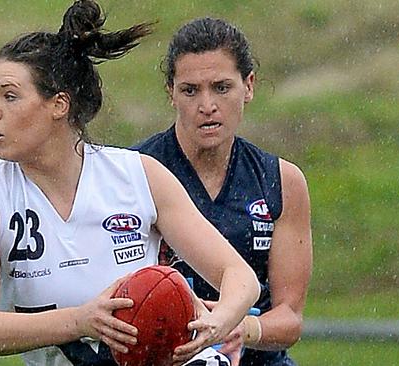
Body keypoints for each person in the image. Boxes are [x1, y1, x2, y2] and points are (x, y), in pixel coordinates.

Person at [0, 2, 260, 366]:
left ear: (59, 105)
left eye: (10, 96)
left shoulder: (138, 175)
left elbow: (240, 277)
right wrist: (81, 320)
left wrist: (217, 322)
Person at [134, 16, 313, 366]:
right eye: (190, 90)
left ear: (248, 86)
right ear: (170, 92)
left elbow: (290, 318)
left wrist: (238, 328)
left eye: (221, 87)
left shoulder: (281, 180)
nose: (206, 105)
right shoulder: (133, 172)